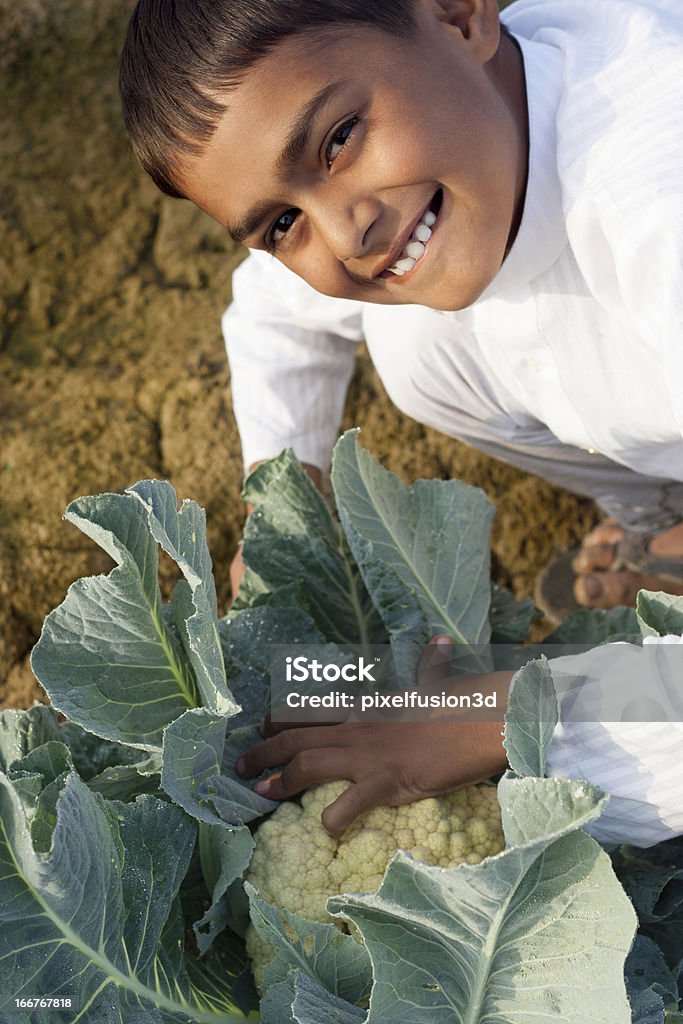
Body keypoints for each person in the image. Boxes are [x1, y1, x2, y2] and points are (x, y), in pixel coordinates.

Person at [118, 0, 683, 841]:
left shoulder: (654, 198)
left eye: (339, 139)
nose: (346, 234)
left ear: (458, 15)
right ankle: (666, 513)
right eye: (283, 222)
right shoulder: (464, 137)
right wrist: (284, 516)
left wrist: (501, 720)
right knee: (412, 343)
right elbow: (276, 315)